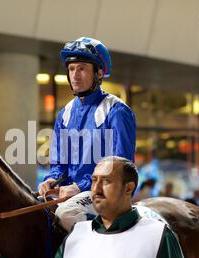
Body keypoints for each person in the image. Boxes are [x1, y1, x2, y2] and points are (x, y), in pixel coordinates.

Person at [0, 157, 191, 258]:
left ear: (128, 188)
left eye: (107, 181)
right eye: (94, 181)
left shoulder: (158, 235)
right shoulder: (76, 236)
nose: (96, 189)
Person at [38, 37, 136, 231]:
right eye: (72, 69)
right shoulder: (64, 114)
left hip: (106, 193)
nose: (75, 75)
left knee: (66, 214)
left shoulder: (117, 111)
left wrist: (80, 187)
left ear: (99, 72)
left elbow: (122, 168)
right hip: (72, 193)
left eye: (82, 68)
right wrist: (52, 180)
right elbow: (59, 163)